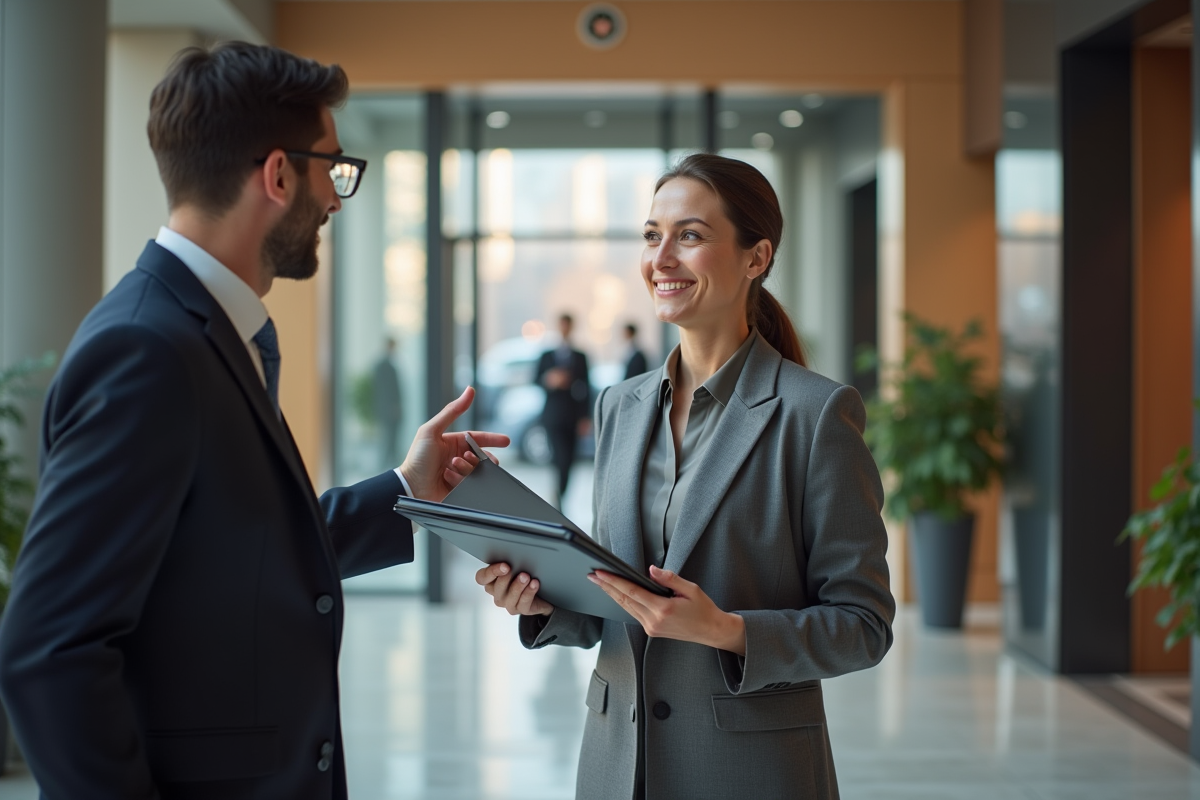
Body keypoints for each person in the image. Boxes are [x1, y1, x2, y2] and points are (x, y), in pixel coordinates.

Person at [0, 42, 506, 800]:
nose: (338, 199)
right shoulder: (148, 350)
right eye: (334, 170)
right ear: (277, 175)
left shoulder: (203, 331)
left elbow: (235, 550)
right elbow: (49, 648)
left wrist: (407, 487)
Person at [476, 154, 895, 799]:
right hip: (619, 768)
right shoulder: (620, 405)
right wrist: (541, 599)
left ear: (756, 258)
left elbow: (863, 625)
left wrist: (727, 630)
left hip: (749, 775)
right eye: (652, 235)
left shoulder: (815, 415)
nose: (661, 258)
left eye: (690, 236)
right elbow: (612, 600)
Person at [534, 313, 590, 508]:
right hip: (553, 415)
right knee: (558, 457)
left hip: (572, 415)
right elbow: (535, 379)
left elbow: (587, 387)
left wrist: (585, 417)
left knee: (569, 459)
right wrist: (550, 379)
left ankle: (561, 494)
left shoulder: (580, 356)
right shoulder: (547, 355)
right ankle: (558, 496)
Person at [373, 336, 403, 469]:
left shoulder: (387, 365)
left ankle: (389, 466)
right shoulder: (384, 366)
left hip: (388, 409)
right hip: (388, 410)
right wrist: (392, 407)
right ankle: (385, 467)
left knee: (392, 439)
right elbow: (385, 391)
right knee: (388, 439)